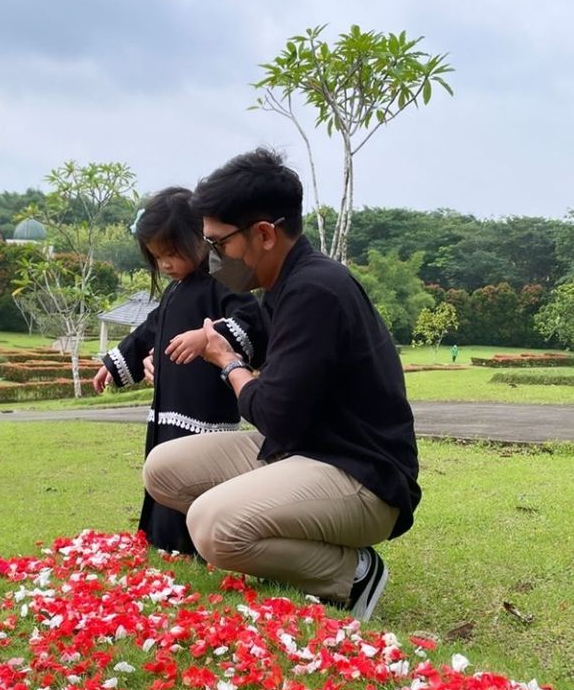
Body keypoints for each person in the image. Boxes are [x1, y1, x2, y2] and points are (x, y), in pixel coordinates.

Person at [142, 149, 421, 621]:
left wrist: (227, 362)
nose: (210, 258)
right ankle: (277, 547)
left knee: (211, 525)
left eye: (218, 244)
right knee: (162, 469)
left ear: (264, 234)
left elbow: (273, 412)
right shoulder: (281, 286)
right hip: (302, 451)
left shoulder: (315, 291)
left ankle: (351, 574)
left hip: (362, 476)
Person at [93, 186, 267, 554]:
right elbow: (148, 332)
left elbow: (253, 322)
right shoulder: (174, 291)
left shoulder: (222, 282)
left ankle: (195, 541)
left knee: (192, 471)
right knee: (162, 465)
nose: (165, 265)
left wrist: (208, 337)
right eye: (158, 258)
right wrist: (114, 363)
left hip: (205, 410)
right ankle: (164, 538)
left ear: (197, 240)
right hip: (168, 406)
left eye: (171, 254)